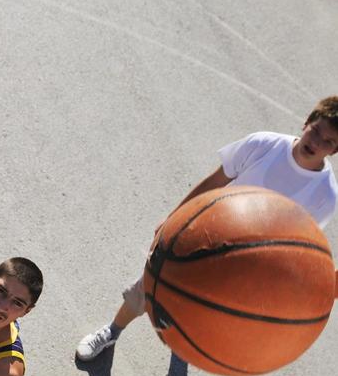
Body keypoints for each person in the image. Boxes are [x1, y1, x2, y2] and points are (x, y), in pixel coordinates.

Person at [76, 96, 338, 361]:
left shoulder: (325, 195)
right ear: (306, 122)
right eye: (316, 130)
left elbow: (300, 245)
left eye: (328, 141)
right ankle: (112, 332)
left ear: (334, 150)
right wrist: (174, 219)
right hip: (203, 234)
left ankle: (187, 341)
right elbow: (216, 181)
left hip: (246, 266)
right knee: (145, 288)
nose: (316, 142)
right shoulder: (264, 144)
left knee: (201, 314)